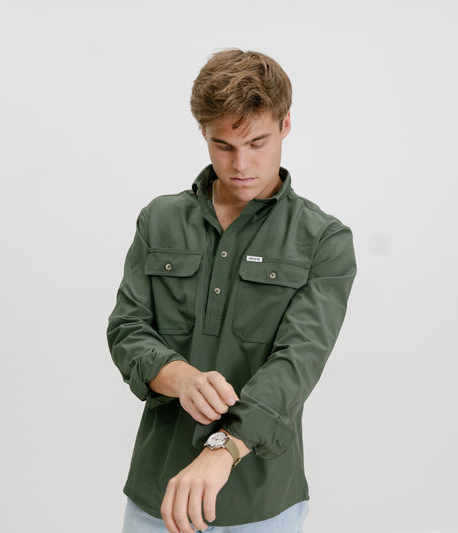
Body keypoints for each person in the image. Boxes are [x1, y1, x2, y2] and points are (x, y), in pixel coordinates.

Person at [107, 49, 356, 533]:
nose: (241, 164)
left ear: (286, 125)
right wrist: (179, 377)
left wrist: (222, 448)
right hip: (158, 497)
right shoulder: (159, 220)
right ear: (203, 133)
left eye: (258, 143)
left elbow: (297, 364)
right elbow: (127, 329)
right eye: (223, 145)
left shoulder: (323, 240)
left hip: (261, 506)